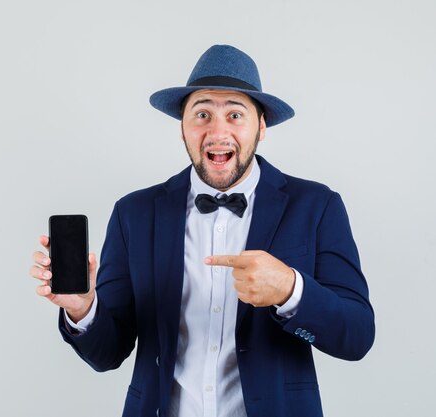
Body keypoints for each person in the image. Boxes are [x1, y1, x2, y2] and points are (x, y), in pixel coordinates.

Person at [29, 45, 375, 417]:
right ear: (183, 127)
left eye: (235, 114)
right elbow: (107, 355)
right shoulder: (135, 213)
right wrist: (83, 310)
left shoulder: (316, 206)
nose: (218, 131)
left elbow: (356, 337)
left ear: (261, 127)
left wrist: (291, 290)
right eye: (203, 113)